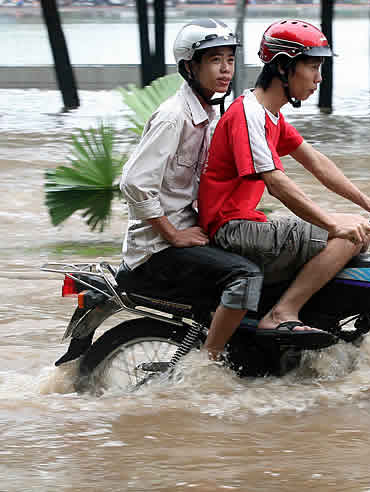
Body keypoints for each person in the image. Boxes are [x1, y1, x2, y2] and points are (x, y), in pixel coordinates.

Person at [198, 19, 370, 346]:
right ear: (284, 67)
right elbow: (277, 183)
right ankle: (283, 313)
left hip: (246, 222)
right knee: (350, 234)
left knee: (359, 226)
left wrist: (368, 203)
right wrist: (333, 224)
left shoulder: (270, 114)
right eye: (312, 67)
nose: (319, 77)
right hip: (231, 228)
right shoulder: (249, 114)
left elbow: (315, 161)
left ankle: (316, 318)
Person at [119, 19, 262, 361]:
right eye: (215, 60)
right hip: (156, 251)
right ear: (189, 66)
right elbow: (134, 183)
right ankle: (209, 365)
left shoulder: (209, 114)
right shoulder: (174, 117)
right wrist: (173, 234)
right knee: (246, 275)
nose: (226, 69)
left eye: (229, 59)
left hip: (187, 232)